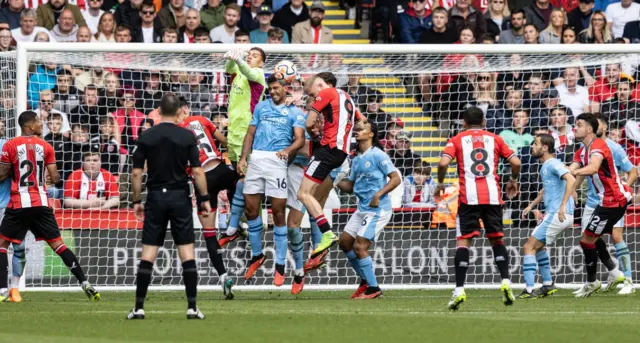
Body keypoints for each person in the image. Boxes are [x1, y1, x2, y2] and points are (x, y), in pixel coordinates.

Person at [0, 111, 100, 302]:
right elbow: (55, 178)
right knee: (59, 245)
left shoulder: (10, 145)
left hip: (18, 202)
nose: (41, 124)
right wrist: (44, 177)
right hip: (41, 203)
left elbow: (2, 175)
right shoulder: (46, 146)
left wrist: (14, 172)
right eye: (38, 122)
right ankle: (84, 282)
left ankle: (3, 290)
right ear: (30, 126)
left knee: (2, 245)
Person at [128, 93, 210, 320]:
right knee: (186, 251)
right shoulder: (187, 136)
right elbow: (197, 171)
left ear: (158, 111)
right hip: (179, 196)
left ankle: (139, 308)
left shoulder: (147, 135)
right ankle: (192, 307)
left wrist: (136, 200)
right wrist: (204, 198)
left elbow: (136, 172)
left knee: (149, 252)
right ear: (178, 112)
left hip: (155, 196)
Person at [436, 106, 521, 311]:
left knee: (463, 242)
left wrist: (440, 183)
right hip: (493, 197)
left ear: (463, 123)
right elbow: (516, 162)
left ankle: (459, 290)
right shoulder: (496, 139)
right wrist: (513, 180)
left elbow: (442, 163)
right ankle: (506, 281)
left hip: (469, 198)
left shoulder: (456, 139)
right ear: (484, 122)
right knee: (497, 239)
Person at [237, 74, 305, 283]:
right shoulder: (261, 108)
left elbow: (300, 140)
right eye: (271, 88)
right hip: (257, 158)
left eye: (276, 88)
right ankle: (257, 255)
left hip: (277, 161)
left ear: (286, 89)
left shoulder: (295, 112)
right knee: (250, 209)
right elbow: (249, 134)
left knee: (277, 212)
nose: (273, 92)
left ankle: (281, 264)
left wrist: (287, 150)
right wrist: (242, 158)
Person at [298, 72, 363, 271]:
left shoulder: (326, 93)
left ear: (326, 83)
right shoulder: (348, 98)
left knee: (303, 194)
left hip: (328, 149)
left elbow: (309, 123)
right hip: (342, 154)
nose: (314, 90)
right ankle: (319, 250)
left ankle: (326, 233)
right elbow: (361, 122)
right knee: (316, 199)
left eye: (316, 85)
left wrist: (313, 133)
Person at [176, 96, 235, 300]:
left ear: (183, 110)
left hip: (202, 183)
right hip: (220, 169)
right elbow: (224, 140)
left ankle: (223, 276)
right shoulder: (202, 119)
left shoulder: (176, 133)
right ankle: (236, 223)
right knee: (241, 182)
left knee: (209, 233)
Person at [336, 121, 401, 299]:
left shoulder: (379, 155)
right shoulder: (356, 159)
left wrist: (378, 194)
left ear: (371, 134)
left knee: (360, 246)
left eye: (362, 128)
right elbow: (350, 186)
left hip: (378, 209)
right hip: (362, 208)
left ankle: (373, 288)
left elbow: (395, 179)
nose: (357, 130)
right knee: (344, 242)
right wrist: (332, 178)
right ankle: (365, 280)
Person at [569, 112, 630, 297]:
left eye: (578, 125)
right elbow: (574, 168)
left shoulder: (599, 147)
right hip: (603, 201)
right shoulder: (583, 149)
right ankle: (613, 273)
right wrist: (568, 176)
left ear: (589, 129)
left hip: (613, 201)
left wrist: (571, 172)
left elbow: (593, 167)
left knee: (588, 239)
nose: (574, 127)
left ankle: (596, 281)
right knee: (590, 237)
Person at [217, 47, 266, 246]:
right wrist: (230, 57)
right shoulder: (237, 73)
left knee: (248, 181)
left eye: (255, 56)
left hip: (249, 134)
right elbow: (229, 69)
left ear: (261, 62)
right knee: (238, 179)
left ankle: (254, 222)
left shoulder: (259, 75)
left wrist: (239, 60)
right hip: (234, 134)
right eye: (249, 55)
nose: (250, 58)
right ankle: (243, 224)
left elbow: (248, 71)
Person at [518, 134, 576, 299]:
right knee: (539, 248)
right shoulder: (546, 165)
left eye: (535, 144)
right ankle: (548, 284)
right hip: (560, 215)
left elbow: (571, 179)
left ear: (545, 148)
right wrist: (531, 205)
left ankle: (529, 290)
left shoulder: (553, 163)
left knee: (529, 247)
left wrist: (563, 204)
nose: (532, 147)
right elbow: (546, 191)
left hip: (558, 214)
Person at [0, 136, 26, 303]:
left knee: (19, 246)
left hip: (12, 204)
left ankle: (14, 288)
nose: (1, 122)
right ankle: (2, 287)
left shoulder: (10, 144)